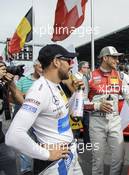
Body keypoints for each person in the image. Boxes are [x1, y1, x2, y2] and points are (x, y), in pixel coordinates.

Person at [5, 44, 83, 174]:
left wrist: (77, 93)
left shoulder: (56, 85)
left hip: (69, 154)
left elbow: (65, 112)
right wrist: (47, 154)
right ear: (56, 62)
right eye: (68, 61)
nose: (71, 65)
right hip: (54, 163)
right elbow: (13, 136)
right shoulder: (39, 90)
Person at [84, 46, 129, 175]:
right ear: (105, 58)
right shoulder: (89, 76)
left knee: (118, 158)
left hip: (115, 121)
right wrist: (97, 106)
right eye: (114, 57)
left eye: (117, 58)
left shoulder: (120, 76)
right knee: (98, 160)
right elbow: (80, 103)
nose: (117, 61)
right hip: (96, 121)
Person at [13, 60, 43, 174]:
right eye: (40, 66)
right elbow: (15, 96)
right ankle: (26, 171)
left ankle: (39, 170)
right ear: (35, 67)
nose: (42, 68)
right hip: (26, 120)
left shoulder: (46, 81)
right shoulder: (23, 80)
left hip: (41, 122)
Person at [74, 61, 90, 144]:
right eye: (86, 67)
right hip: (78, 105)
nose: (87, 69)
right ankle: (75, 144)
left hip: (86, 104)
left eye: (88, 67)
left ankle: (87, 143)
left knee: (87, 125)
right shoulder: (75, 77)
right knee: (76, 126)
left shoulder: (86, 77)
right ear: (81, 68)